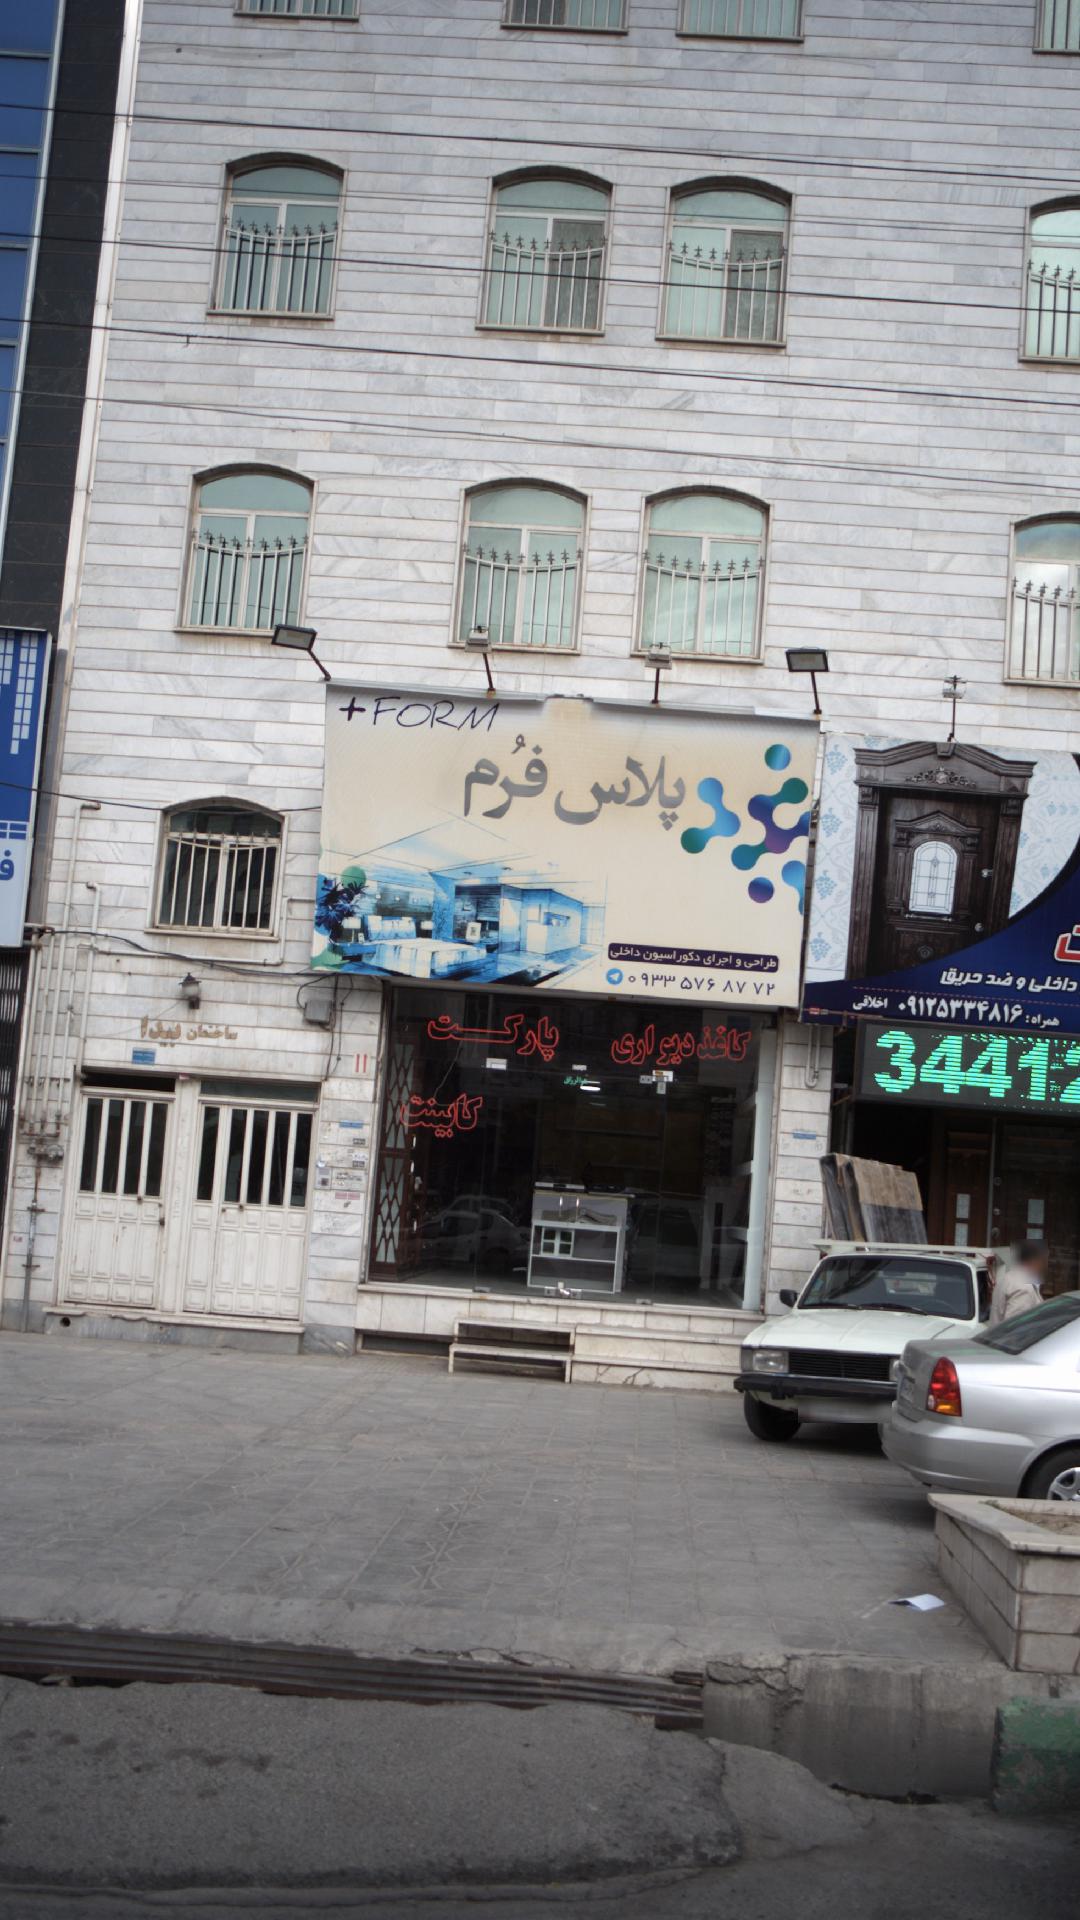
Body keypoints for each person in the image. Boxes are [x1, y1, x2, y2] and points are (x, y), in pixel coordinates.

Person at [989, 1241, 1048, 1327]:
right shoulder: (1024, 1288)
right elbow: (1015, 1328)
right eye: (1043, 1261)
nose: (1044, 1266)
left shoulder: (1008, 1277)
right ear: (1034, 1260)